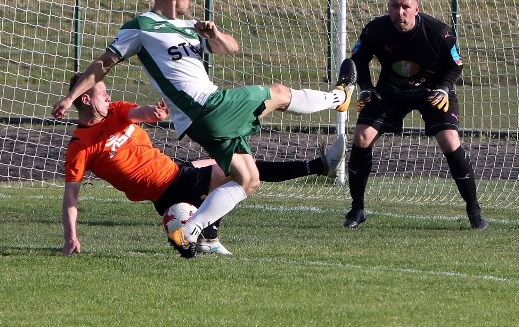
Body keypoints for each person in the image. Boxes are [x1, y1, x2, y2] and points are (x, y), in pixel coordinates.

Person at [52, 0, 357, 257]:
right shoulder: (141, 27)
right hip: (207, 107)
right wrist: (70, 98)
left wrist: (214, 35)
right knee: (277, 93)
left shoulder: (190, 28)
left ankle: (191, 231)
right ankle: (338, 98)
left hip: (201, 122)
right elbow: (103, 63)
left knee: (248, 179)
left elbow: (231, 49)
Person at [62, 77, 348, 257]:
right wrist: (71, 236)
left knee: (240, 170)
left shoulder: (116, 111)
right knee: (243, 172)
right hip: (168, 188)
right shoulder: (80, 145)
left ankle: (206, 237)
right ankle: (320, 166)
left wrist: (154, 113)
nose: (108, 97)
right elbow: (71, 195)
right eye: (102, 94)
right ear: (85, 99)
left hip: (177, 173)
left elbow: (140, 113)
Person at [341, 0, 488, 230]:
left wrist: (443, 88)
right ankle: (357, 209)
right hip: (390, 91)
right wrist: (365, 87)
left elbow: (455, 65)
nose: (400, 12)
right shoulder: (375, 29)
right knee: (361, 137)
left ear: (416, 10)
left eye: (405, 7)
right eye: (395, 6)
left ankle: (474, 210)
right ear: (388, 8)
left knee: (450, 141)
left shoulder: (439, 32)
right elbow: (357, 59)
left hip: (432, 92)